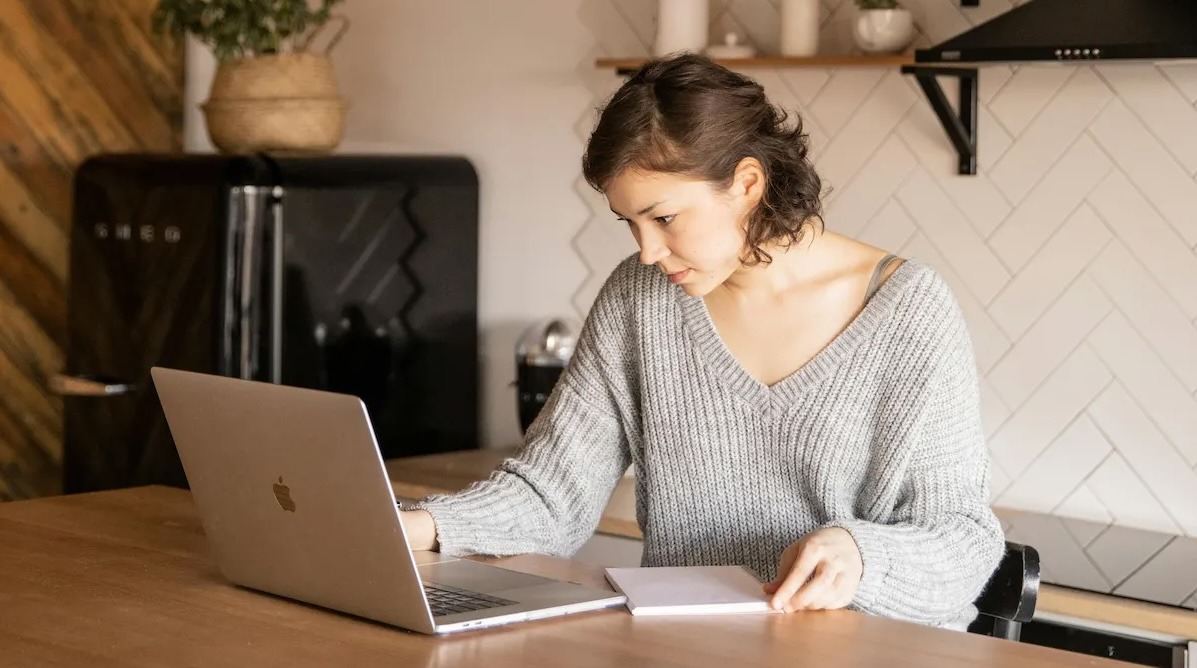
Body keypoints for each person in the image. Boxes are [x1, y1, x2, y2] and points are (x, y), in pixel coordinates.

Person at [400, 53, 1004, 631]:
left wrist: (862, 555)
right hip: (684, 648)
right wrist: (419, 525)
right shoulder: (640, 299)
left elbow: (963, 539)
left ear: (746, 183)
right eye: (630, 224)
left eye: (663, 218)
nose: (647, 251)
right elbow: (553, 494)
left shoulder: (908, 310)